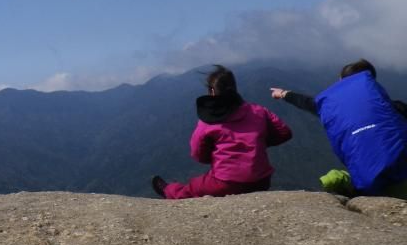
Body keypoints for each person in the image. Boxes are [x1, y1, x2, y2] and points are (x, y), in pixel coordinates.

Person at [270, 59, 407, 199]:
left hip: (366, 182)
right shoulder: (394, 109)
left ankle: (342, 183)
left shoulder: (329, 105)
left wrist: (284, 94)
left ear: (341, 80)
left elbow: (308, 103)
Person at [152, 65, 292, 199]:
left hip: (226, 183)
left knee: (193, 187)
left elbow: (197, 154)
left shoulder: (207, 122)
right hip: (262, 181)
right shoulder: (259, 111)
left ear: (212, 92)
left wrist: (214, 156)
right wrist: (257, 143)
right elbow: (284, 132)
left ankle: (168, 190)